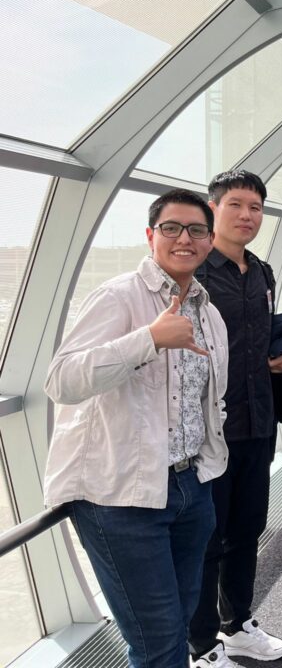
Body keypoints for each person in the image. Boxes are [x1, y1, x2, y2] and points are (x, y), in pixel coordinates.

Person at [43, 189, 228, 668]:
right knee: (157, 639)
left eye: (196, 230)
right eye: (171, 228)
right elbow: (61, 381)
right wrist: (148, 339)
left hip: (191, 487)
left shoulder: (209, 314)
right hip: (121, 498)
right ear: (151, 236)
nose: (183, 239)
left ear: (210, 241)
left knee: (180, 619)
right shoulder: (119, 296)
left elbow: (208, 401)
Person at [189, 171, 282, 667]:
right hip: (210, 432)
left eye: (255, 207)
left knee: (248, 529)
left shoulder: (263, 271)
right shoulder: (194, 272)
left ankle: (237, 624)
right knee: (206, 539)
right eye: (236, 205)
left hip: (259, 421)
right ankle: (202, 644)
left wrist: (281, 355)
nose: (247, 215)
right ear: (213, 209)